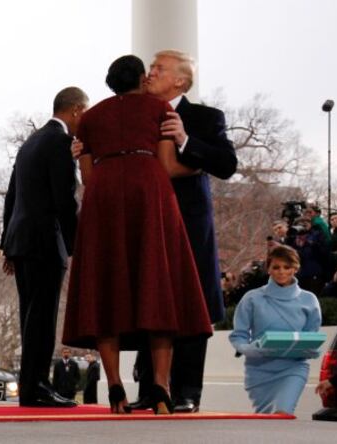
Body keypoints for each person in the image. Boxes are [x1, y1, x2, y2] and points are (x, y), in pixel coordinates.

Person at [62, 55, 213, 415]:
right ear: (141, 78)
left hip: (104, 197)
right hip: (149, 191)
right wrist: (200, 165)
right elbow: (166, 164)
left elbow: (86, 177)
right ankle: (161, 389)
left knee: (106, 289)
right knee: (159, 285)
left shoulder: (90, 117)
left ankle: (115, 388)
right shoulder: (159, 108)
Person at [129, 49, 237, 414]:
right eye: (149, 67)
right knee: (147, 299)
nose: (149, 73)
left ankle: (187, 391)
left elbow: (227, 164)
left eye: (157, 69)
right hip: (144, 222)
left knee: (192, 305)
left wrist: (186, 140)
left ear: (180, 80)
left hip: (189, 225)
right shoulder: (135, 113)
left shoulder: (206, 118)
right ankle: (150, 390)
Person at [0, 87, 89, 407]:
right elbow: (64, 200)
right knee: (43, 317)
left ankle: (31, 387)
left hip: (22, 242)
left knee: (30, 316)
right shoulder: (60, 143)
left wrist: (7, 246)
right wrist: (76, 247)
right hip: (45, 242)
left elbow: (13, 196)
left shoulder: (30, 143)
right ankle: (37, 386)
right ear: (77, 109)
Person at [229, 245, 322, 414]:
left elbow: (311, 336)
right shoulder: (252, 298)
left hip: (293, 368)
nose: (281, 272)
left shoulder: (309, 300)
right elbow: (239, 336)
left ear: (296, 268)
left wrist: (309, 350)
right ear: (268, 270)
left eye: (287, 267)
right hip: (259, 370)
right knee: (266, 420)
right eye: (276, 267)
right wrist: (251, 349)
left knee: (283, 412)